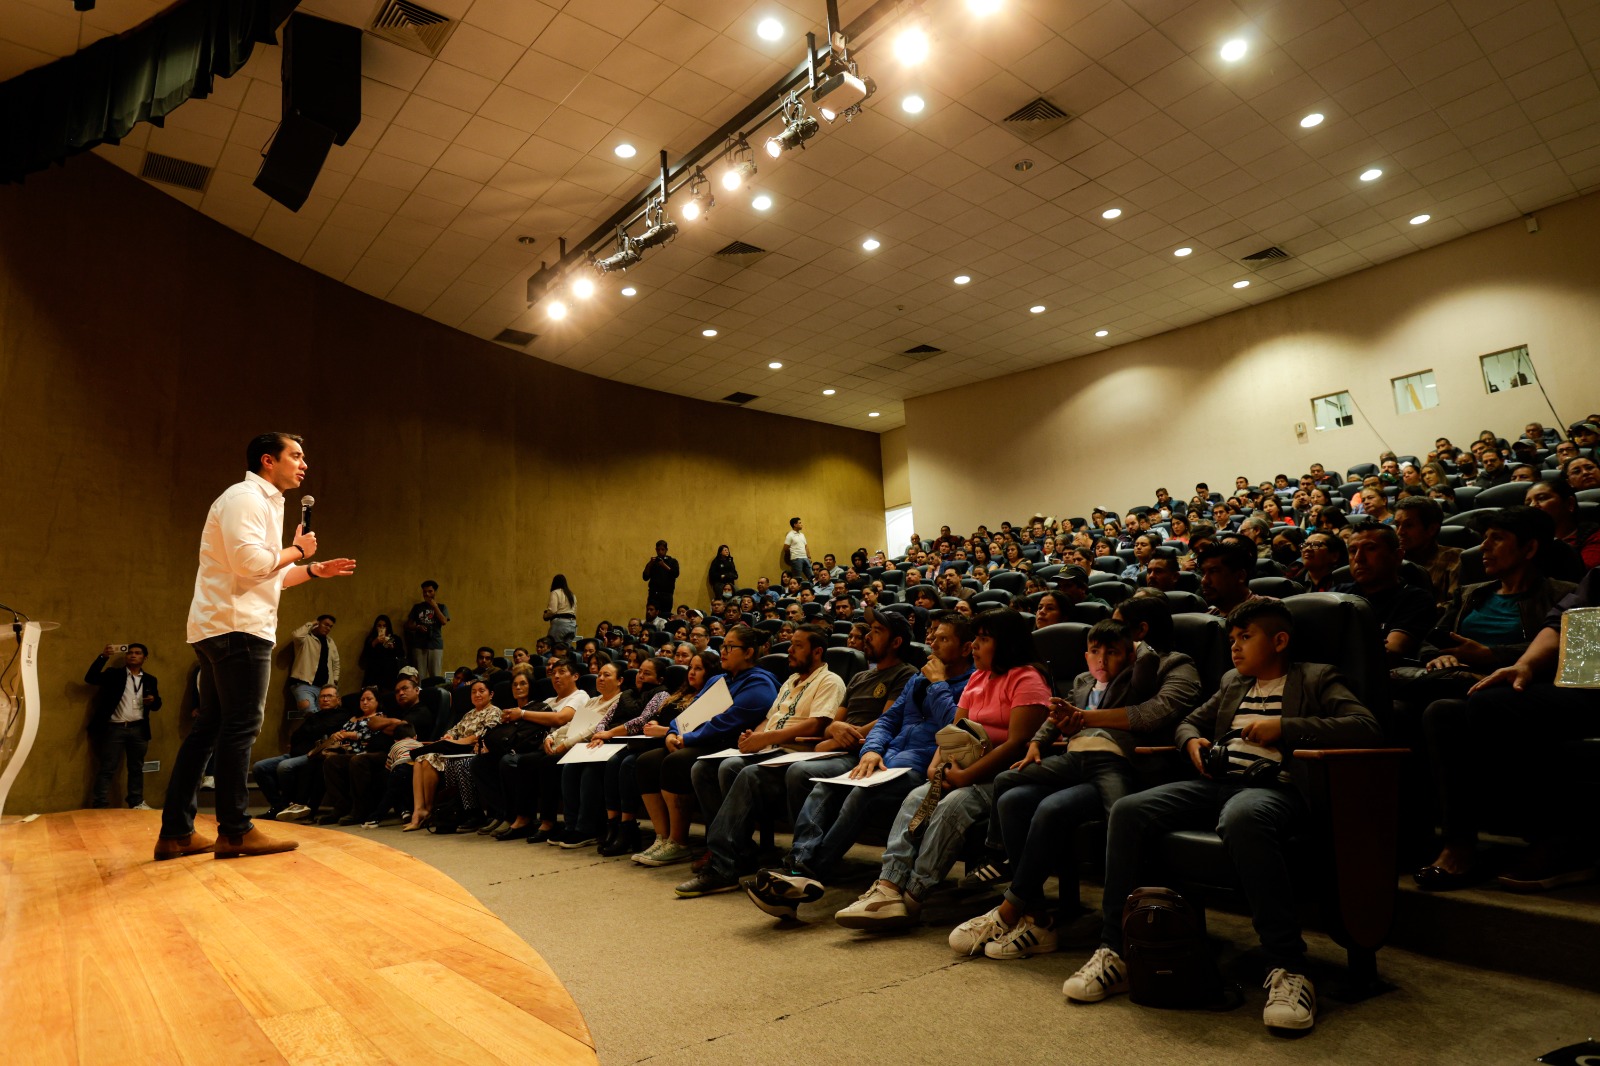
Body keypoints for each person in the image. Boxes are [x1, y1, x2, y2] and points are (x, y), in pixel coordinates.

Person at [1063, 599, 1379, 1031]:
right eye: (1231, 639)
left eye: (1245, 637)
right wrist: (1191, 742)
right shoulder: (1233, 681)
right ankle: (1116, 950)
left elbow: (1364, 726)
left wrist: (1285, 727)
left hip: (1275, 787)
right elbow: (1189, 721)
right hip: (1216, 782)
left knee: (1242, 817)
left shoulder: (1315, 677)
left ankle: (1288, 966)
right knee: (1128, 809)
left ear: (1280, 640)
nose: (1234, 648)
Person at [950, 608, 1200, 960]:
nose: (1103, 657)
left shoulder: (1157, 668)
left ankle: (1122, 920)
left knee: (1093, 813)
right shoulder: (1084, 680)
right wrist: (1038, 741)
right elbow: (1057, 715)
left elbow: (1149, 713)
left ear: (1137, 639)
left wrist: (1082, 717)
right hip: (1074, 758)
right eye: (1096, 649)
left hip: (1124, 764)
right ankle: (1032, 912)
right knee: (1011, 794)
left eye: (1116, 645)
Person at [156, 432, 356, 862]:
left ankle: (176, 832)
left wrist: (311, 569)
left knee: (210, 728)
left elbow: (272, 575)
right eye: (296, 456)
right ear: (269, 460)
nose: (304, 464)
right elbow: (251, 565)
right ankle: (235, 831)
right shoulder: (245, 498)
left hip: (225, 625)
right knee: (241, 727)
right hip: (238, 629)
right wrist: (296, 549)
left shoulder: (264, 503)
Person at [833, 607, 1050, 930]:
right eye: (974, 639)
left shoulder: (1027, 679)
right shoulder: (979, 677)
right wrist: (937, 767)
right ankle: (888, 886)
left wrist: (964, 776)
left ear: (1007, 643)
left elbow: (1016, 744)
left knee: (950, 807)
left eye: (984, 639)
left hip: (1001, 776)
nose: (974, 646)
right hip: (960, 768)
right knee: (915, 800)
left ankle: (913, 897)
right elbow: (953, 730)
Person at [746, 611, 971, 917]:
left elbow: (954, 728)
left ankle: (805, 876)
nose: (933, 643)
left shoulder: (968, 682)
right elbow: (888, 720)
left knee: (862, 794)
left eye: (943, 639)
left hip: (919, 768)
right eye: (933, 636)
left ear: (965, 648)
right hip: (885, 760)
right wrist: (872, 750)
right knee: (824, 787)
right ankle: (796, 866)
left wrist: (939, 684)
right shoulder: (919, 679)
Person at [1418, 556, 1600, 892]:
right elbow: (1562, 624)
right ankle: (1459, 845)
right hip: (1591, 683)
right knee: (1445, 712)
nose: (1484, 547)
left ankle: (1563, 841)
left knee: (1492, 706)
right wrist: (1526, 665)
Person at [673, 625, 848, 896]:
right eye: (790, 644)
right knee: (704, 768)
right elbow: (771, 716)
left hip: (795, 753)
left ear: (817, 651)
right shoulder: (790, 681)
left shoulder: (830, 681)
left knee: (745, 773)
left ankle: (723, 866)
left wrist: (766, 738)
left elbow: (817, 724)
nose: (789, 650)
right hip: (771, 749)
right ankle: (741, 851)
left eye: (797, 646)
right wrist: (752, 736)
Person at [631, 625, 779, 867]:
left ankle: (679, 842)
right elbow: (692, 712)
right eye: (723, 646)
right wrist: (672, 733)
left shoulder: (760, 683)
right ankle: (663, 837)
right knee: (646, 762)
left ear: (749, 652)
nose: (724, 651)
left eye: (731, 647)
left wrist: (685, 739)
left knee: (676, 762)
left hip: (729, 744)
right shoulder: (717, 679)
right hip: (701, 740)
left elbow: (728, 722)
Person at [546, 662, 627, 847]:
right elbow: (570, 725)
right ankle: (570, 825)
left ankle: (586, 828)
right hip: (580, 747)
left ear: (620, 680)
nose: (600, 678)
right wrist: (552, 736)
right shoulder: (593, 700)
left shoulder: (620, 700)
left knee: (589, 771)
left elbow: (594, 728)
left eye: (607, 675)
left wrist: (565, 744)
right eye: (599, 675)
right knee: (569, 768)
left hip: (601, 745)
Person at [405, 678, 501, 831]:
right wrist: (448, 737)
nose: (477, 694)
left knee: (455, 763)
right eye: (473, 692)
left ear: (491, 694)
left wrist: (456, 742)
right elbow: (454, 730)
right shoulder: (469, 714)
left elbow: (482, 735)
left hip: (475, 751)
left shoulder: (494, 712)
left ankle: (468, 813)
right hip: (455, 750)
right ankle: (421, 810)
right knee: (422, 758)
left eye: (481, 691)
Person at [1336, 525, 1438, 664]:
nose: (1359, 558)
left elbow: (1389, 651)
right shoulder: (1336, 594)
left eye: (1370, 549)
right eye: (1353, 551)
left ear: (1398, 556)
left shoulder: (1416, 599)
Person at [85, 643, 163, 809]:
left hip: (139, 729)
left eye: (137, 653)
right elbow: (90, 678)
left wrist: (153, 700)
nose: (132, 655)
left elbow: (157, 705)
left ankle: (136, 802)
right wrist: (103, 657)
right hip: (115, 728)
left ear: (144, 658)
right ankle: (100, 804)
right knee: (107, 768)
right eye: (130, 653)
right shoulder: (114, 675)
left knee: (136, 768)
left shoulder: (150, 679)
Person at [1392, 496, 1461, 615]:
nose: (1399, 532)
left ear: (1432, 529)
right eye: (1397, 525)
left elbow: (1455, 605)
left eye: (1409, 525)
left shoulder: (1455, 559)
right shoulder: (1391, 560)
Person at [1526, 478, 1600, 567]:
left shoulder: (1594, 536)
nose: (1532, 506)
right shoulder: (1527, 541)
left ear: (1570, 503)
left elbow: (1585, 576)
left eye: (1542, 498)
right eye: (1527, 503)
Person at [285, 614, 339, 720]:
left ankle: (322, 737)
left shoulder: (330, 642)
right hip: (303, 683)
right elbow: (296, 636)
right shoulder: (306, 638)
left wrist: (334, 680)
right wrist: (311, 623)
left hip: (324, 687)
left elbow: (336, 662)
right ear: (318, 623)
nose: (328, 628)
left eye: (330, 626)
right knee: (309, 712)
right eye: (326, 625)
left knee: (325, 716)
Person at [404, 580, 450, 678]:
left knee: (435, 675)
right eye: (425, 592)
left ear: (435, 592)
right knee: (419, 675)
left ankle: (435, 693)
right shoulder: (417, 607)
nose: (427, 594)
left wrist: (435, 606)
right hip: (419, 644)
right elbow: (408, 625)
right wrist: (417, 627)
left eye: (430, 591)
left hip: (435, 644)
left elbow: (444, 621)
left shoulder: (442, 607)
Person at [1198, 543, 1257, 616]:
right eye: (1203, 573)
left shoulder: (1268, 614)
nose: (1204, 581)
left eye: (1214, 571)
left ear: (1240, 576)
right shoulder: (1207, 618)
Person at [358, 614, 405, 692]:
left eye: (384, 626)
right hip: (373, 674)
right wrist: (375, 642)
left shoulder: (395, 638)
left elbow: (401, 654)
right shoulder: (371, 639)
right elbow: (365, 657)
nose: (382, 628)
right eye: (379, 626)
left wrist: (392, 647)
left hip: (390, 674)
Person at [643, 540, 680, 615]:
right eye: (658, 549)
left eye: (662, 549)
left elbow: (675, 574)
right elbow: (645, 577)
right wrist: (650, 564)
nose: (660, 552)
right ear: (656, 550)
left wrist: (663, 565)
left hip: (667, 595)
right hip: (653, 595)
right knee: (651, 615)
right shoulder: (652, 562)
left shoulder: (672, 561)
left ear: (666, 550)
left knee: (665, 615)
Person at [543, 573, 577, 645]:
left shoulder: (555, 592)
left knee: (555, 646)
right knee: (565, 649)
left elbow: (552, 610)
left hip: (560, 624)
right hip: (572, 625)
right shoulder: (572, 595)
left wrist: (545, 615)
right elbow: (574, 610)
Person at [784, 516, 812, 583]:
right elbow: (785, 548)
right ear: (795, 524)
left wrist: (809, 557)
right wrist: (793, 555)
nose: (801, 524)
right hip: (796, 559)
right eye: (799, 523)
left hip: (805, 558)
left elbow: (806, 546)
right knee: (797, 579)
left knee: (811, 577)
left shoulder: (802, 535)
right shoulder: (790, 535)